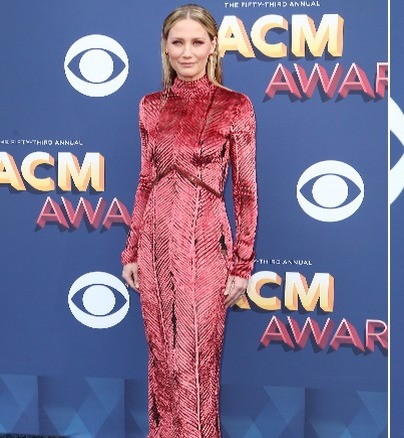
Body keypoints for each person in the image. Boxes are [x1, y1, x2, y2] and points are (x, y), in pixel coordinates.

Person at [120, 4, 258, 437]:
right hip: (156, 246)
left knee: (196, 360)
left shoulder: (235, 107)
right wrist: (131, 249)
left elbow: (246, 192)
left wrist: (241, 262)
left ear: (214, 46)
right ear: (165, 46)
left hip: (205, 246)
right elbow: (145, 181)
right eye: (177, 42)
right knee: (162, 359)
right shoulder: (149, 107)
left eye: (197, 42)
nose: (187, 52)